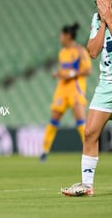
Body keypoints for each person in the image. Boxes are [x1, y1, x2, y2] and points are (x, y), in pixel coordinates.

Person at [62, 0, 112, 196]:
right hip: (107, 84)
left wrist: (111, 20)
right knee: (90, 132)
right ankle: (86, 185)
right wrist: (104, 21)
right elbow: (93, 51)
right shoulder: (97, 19)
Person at [39, 23, 92, 162]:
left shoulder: (80, 51)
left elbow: (88, 70)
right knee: (53, 120)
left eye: (62, 35)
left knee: (80, 120)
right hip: (62, 90)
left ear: (68, 36)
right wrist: (58, 75)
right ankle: (44, 151)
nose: (60, 38)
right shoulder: (62, 52)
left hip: (75, 90)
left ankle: (89, 149)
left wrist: (73, 74)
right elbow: (64, 72)